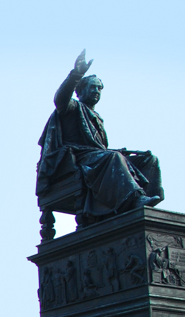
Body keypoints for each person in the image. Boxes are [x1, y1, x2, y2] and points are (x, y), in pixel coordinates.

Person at [36, 50, 163, 223]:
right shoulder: (72, 108)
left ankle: (147, 208)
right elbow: (60, 99)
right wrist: (76, 75)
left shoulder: (97, 117)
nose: (96, 91)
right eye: (92, 87)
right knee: (113, 157)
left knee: (149, 159)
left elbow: (99, 148)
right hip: (78, 159)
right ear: (81, 91)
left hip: (98, 158)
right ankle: (135, 199)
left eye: (99, 88)